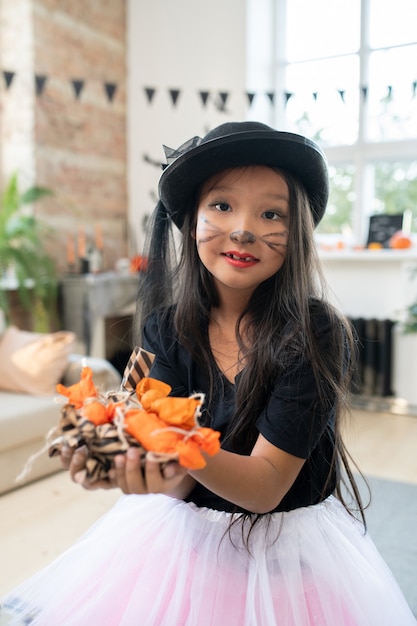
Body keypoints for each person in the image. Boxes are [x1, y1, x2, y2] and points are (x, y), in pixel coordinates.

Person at [1, 121, 415, 625]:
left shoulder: (316, 334)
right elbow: (178, 485)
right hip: (186, 544)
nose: (243, 228)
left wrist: (173, 444)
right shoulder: (163, 330)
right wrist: (135, 465)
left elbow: (264, 488)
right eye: (221, 205)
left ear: (299, 234)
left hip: (289, 557)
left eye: (271, 213)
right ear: (191, 218)